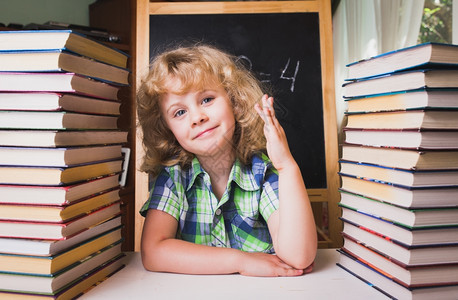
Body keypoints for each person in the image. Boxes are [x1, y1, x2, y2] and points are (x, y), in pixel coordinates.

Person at [137, 44, 317, 277]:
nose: (197, 117)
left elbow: (299, 256)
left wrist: (287, 166)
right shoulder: (173, 177)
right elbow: (153, 252)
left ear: (235, 102)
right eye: (179, 112)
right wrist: (241, 262)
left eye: (207, 99)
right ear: (167, 130)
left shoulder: (263, 173)